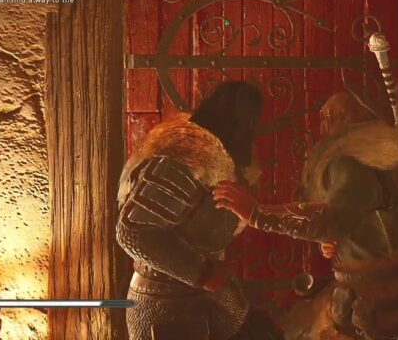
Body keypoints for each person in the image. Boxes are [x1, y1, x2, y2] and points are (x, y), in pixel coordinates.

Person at [213, 91, 398, 339]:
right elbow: (359, 220)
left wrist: (258, 214)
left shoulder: (353, 160)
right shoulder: (372, 152)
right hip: (380, 288)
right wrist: (341, 241)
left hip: (384, 299)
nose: (324, 126)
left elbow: (331, 220)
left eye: (331, 117)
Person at [116, 81, 281, 340]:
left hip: (201, 303)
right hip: (167, 309)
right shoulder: (181, 159)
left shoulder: (218, 162)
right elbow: (133, 232)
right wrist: (203, 273)